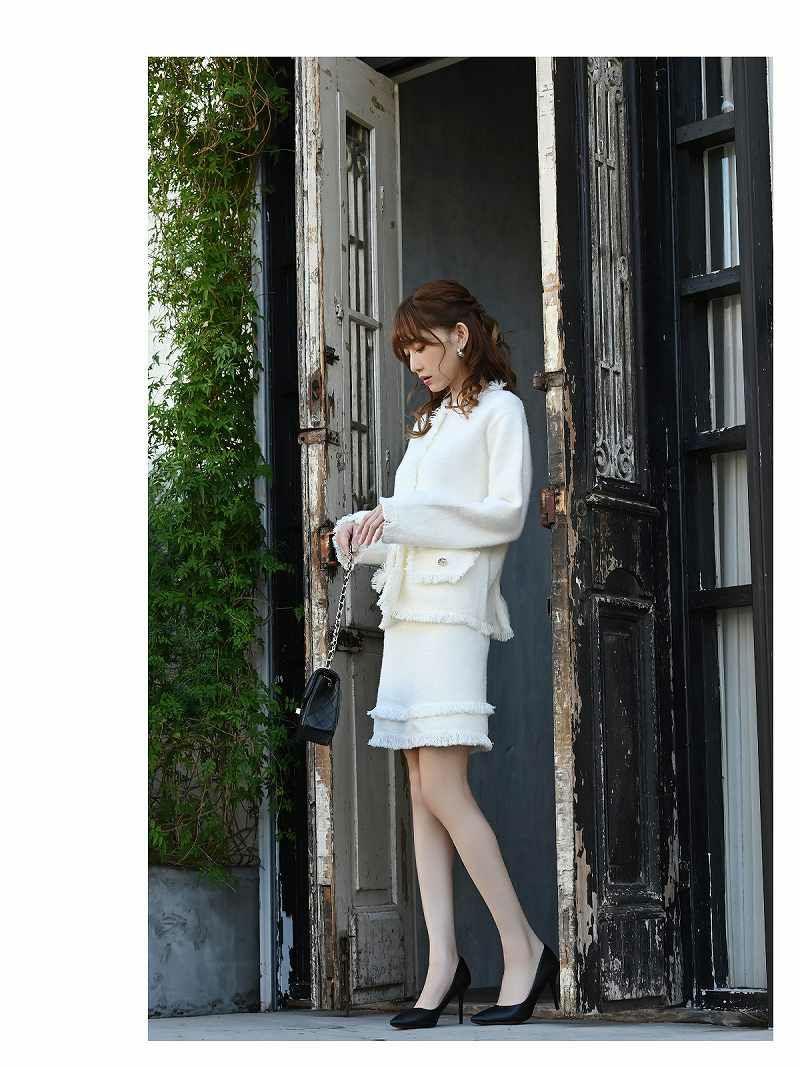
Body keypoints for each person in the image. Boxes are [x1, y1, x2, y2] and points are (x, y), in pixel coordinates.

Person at [332, 280, 559, 1029]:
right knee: (420, 786)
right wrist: (361, 534)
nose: (415, 364)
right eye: (407, 354)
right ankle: (443, 965)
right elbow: (414, 529)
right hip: (410, 618)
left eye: (421, 348)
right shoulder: (428, 425)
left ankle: (522, 947)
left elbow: (502, 516)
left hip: (456, 616)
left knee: (446, 787)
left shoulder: (502, 411)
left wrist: (396, 516)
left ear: (461, 335)